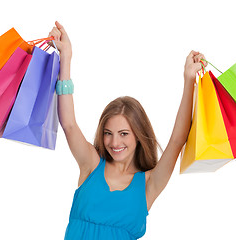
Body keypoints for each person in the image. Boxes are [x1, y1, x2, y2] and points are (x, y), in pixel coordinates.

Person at [49, 21, 206, 239]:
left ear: (139, 136)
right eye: (108, 133)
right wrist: (66, 58)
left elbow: (178, 140)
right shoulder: (91, 165)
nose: (114, 143)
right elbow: (68, 124)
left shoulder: (148, 184)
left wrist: (189, 80)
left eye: (124, 134)